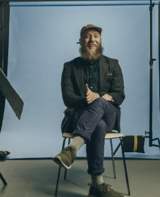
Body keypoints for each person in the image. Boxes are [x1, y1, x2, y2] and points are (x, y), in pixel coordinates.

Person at [53, 24, 125, 197]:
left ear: (100, 41)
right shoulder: (69, 67)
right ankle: (97, 185)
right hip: (81, 115)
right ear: (80, 41)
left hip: (109, 114)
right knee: (97, 126)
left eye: (96, 36)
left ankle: (72, 149)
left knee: (100, 105)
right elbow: (67, 98)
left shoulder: (113, 64)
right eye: (87, 36)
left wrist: (98, 96)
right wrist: (87, 99)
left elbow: (119, 94)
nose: (92, 40)